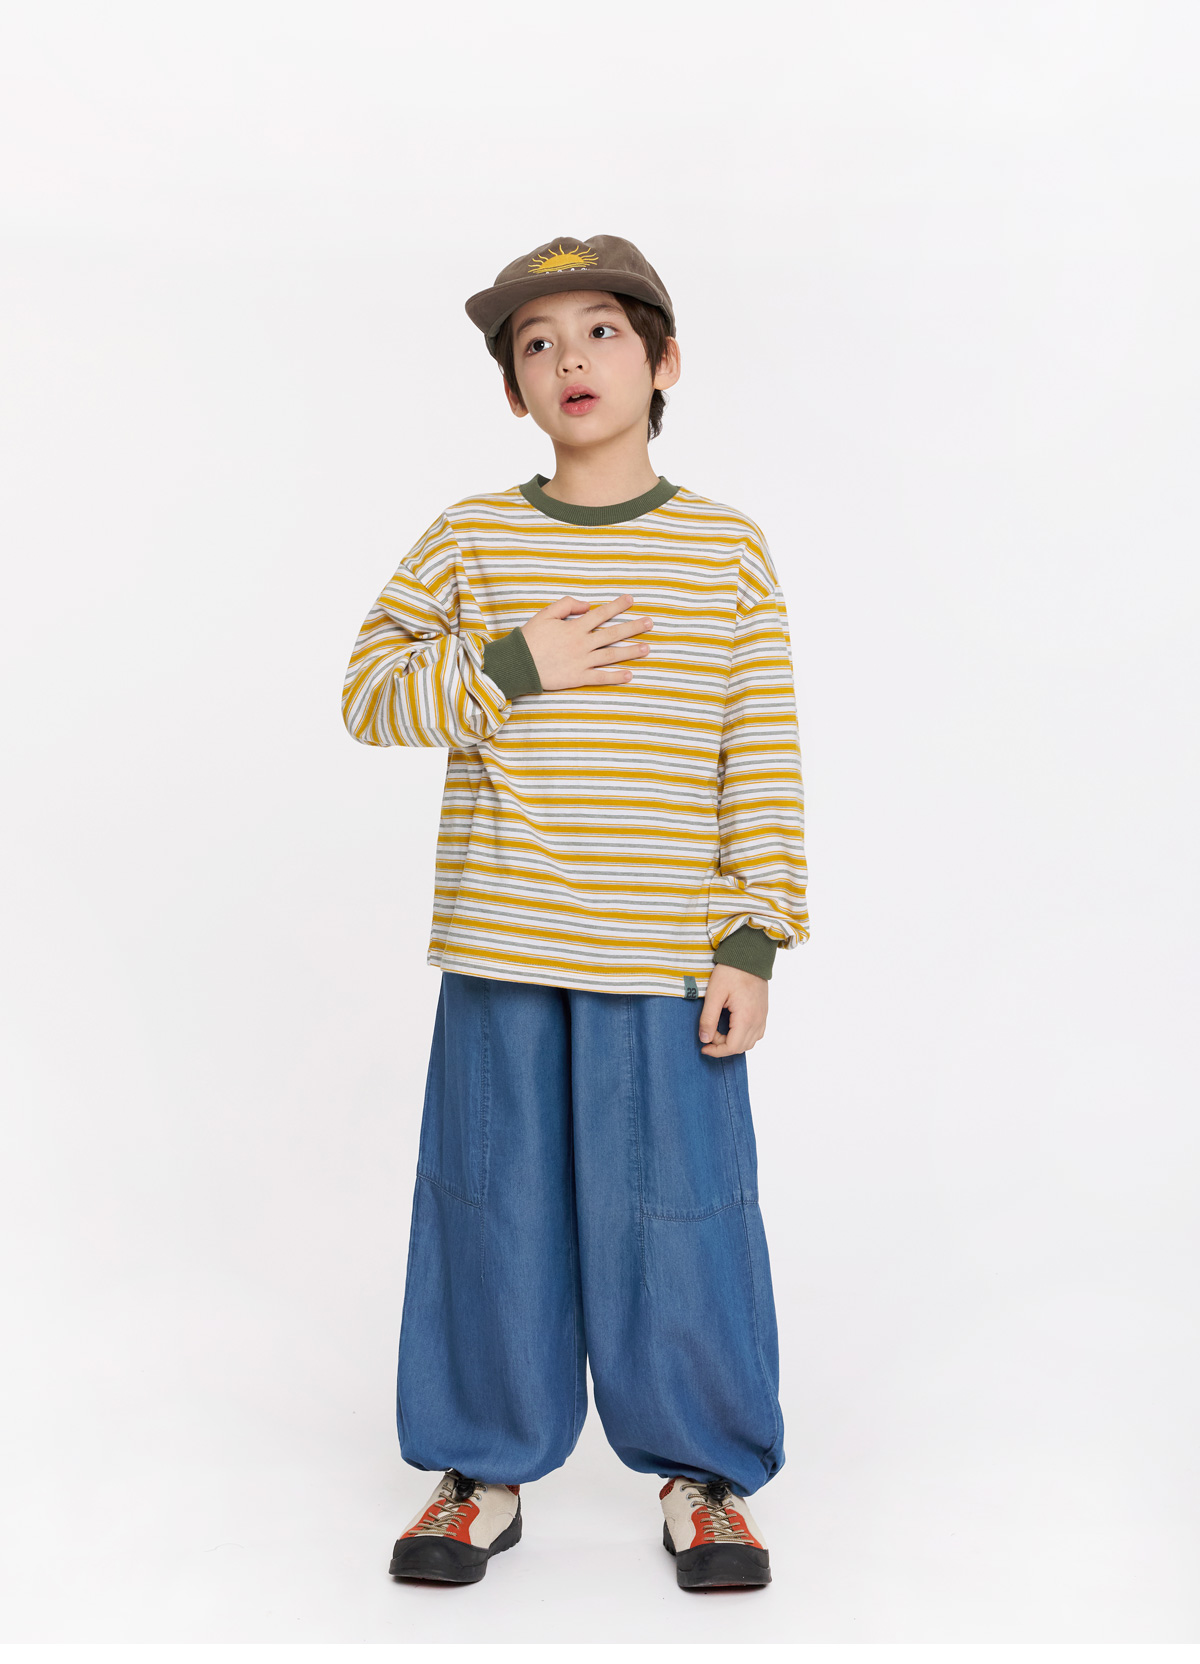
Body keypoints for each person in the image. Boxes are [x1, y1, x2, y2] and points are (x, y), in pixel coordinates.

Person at [340, 234, 809, 1591]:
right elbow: (369, 695)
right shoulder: (471, 540)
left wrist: (753, 939)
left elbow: (760, 756)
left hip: (664, 962)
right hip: (503, 948)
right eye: (536, 345)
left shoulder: (724, 550)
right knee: (491, 1211)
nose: (568, 360)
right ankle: (480, 1469)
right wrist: (514, 662)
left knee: (684, 1217)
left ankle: (705, 1475)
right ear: (514, 391)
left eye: (601, 331)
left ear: (664, 364)